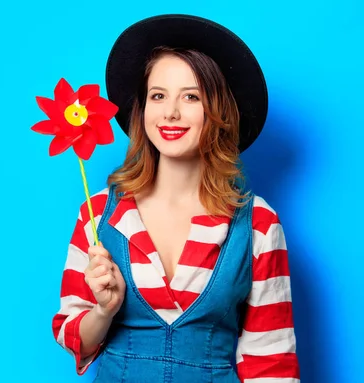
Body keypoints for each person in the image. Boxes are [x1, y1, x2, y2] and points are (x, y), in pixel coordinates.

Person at [51, 14, 300, 382]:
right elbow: (73, 337)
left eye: (191, 96)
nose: (170, 112)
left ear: (218, 111)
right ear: (142, 108)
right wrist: (104, 309)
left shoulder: (258, 223)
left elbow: (271, 360)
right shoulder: (98, 212)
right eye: (158, 95)